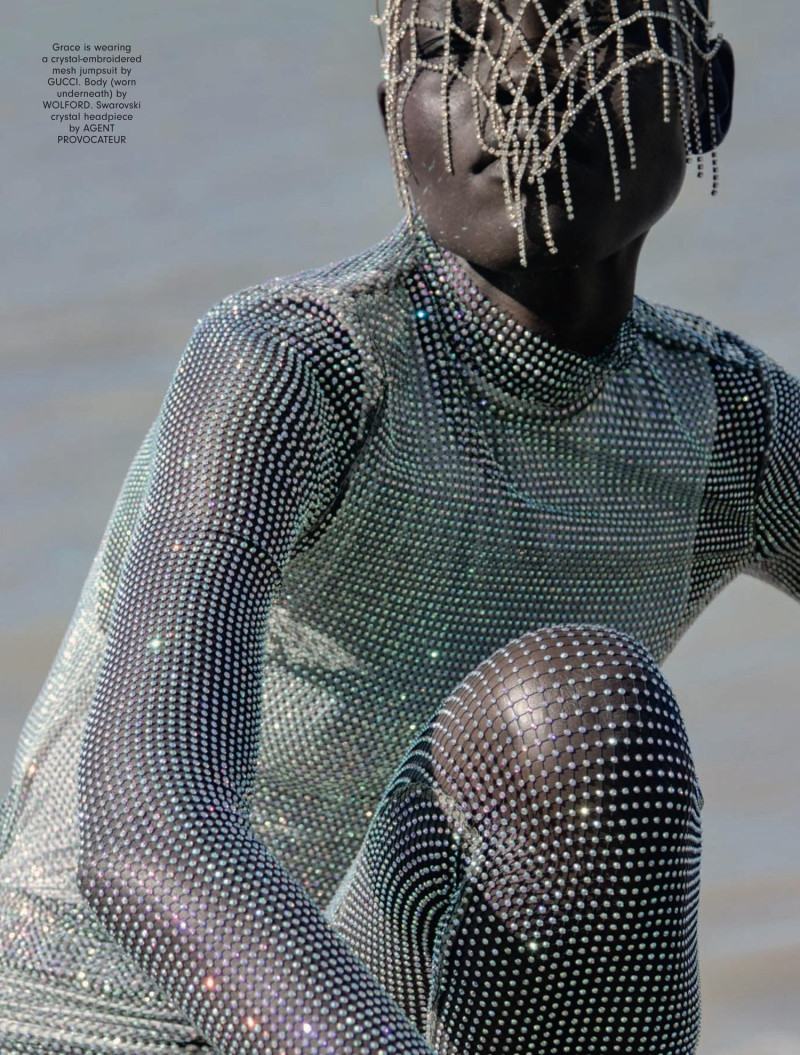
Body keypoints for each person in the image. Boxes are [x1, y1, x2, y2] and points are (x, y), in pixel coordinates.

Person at [0, 1, 795, 1053]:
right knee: (573, 709)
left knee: (602, 749)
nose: (513, 89)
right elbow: (146, 830)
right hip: (110, 1025)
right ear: (392, 116)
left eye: (579, 38)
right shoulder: (300, 363)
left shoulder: (719, 422)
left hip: (391, 1002)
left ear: (707, 96)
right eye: (446, 55)